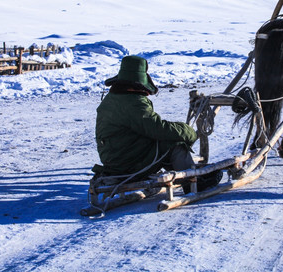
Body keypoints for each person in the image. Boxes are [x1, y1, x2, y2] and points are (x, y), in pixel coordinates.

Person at [94, 55, 222, 193]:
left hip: (114, 156)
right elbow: (157, 128)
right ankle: (191, 183)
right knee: (175, 144)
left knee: (160, 144)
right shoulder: (134, 103)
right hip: (126, 162)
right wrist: (187, 132)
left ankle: (184, 172)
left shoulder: (112, 98)